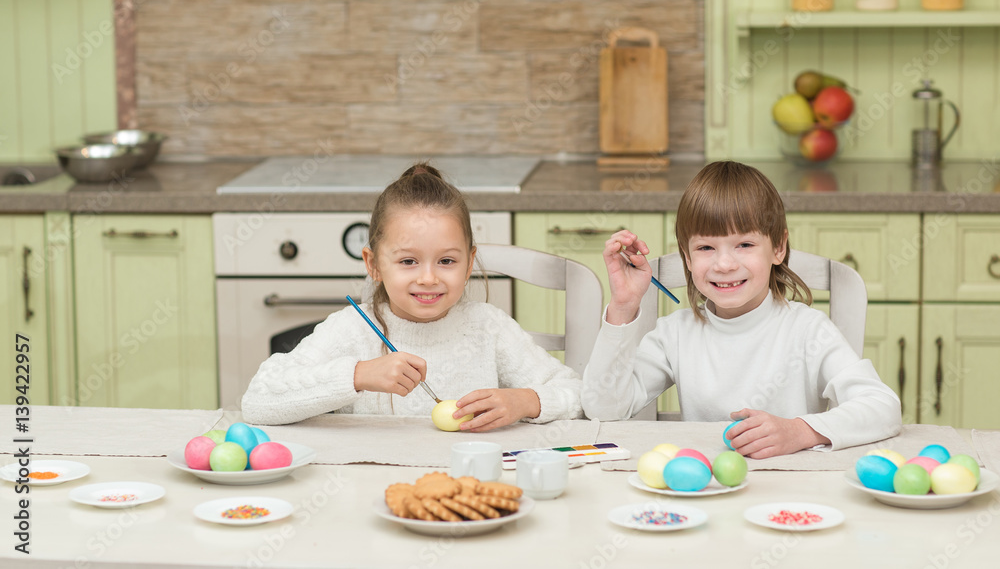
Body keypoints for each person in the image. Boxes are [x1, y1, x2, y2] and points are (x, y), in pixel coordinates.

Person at [582, 161, 901, 458]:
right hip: (706, 492)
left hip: (792, 490)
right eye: (706, 248)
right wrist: (623, 307)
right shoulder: (674, 334)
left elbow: (883, 407)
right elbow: (603, 410)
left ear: (778, 247)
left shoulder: (809, 330)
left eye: (745, 245)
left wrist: (800, 431)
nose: (724, 264)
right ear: (687, 258)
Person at [242, 162, 583, 430]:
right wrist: (357, 375)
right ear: (373, 264)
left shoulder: (487, 327)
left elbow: (579, 394)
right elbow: (258, 400)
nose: (429, 278)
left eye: (447, 261)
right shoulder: (351, 330)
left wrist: (526, 401)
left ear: (468, 264)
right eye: (408, 261)